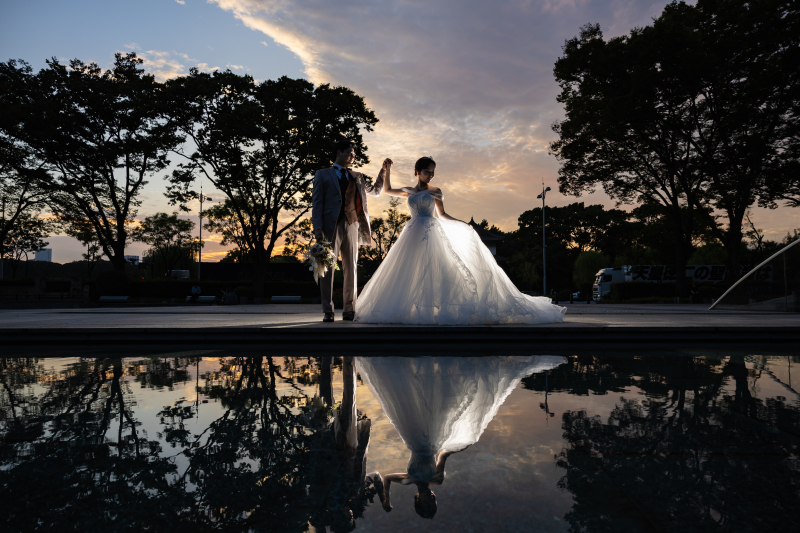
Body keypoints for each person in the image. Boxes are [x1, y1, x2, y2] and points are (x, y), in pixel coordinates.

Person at [354, 156, 567, 324]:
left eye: (433, 172)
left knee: (437, 270)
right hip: (411, 234)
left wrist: (463, 224)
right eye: (427, 172)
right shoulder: (409, 191)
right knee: (410, 271)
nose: (430, 176)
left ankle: (437, 311)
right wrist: (386, 169)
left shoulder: (436, 192)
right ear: (417, 172)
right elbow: (388, 190)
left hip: (431, 231)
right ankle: (412, 310)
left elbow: (442, 215)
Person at [358, 356, 567, 519]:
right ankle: (446, 366)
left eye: (428, 503)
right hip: (433, 441)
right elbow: (444, 455)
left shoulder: (409, 480)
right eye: (434, 502)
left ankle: (417, 365)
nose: (432, 499)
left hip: (413, 437)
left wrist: (385, 500)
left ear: (417, 500)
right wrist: (463, 443)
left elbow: (386, 479)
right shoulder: (437, 480)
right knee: (440, 403)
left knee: (413, 400)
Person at [311, 140, 390, 323]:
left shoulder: (358, 176)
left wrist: (383, 171)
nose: (353, 157)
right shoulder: (322, 175)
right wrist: (318, 229)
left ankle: (349, 310)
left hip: (353, 225)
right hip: (330, 227)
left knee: (351, 269)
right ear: (339, 152)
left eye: (354, 154)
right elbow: (317, 203)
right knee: (327, 268)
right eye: (350, 153)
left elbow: (376, 191)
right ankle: (328, 311)